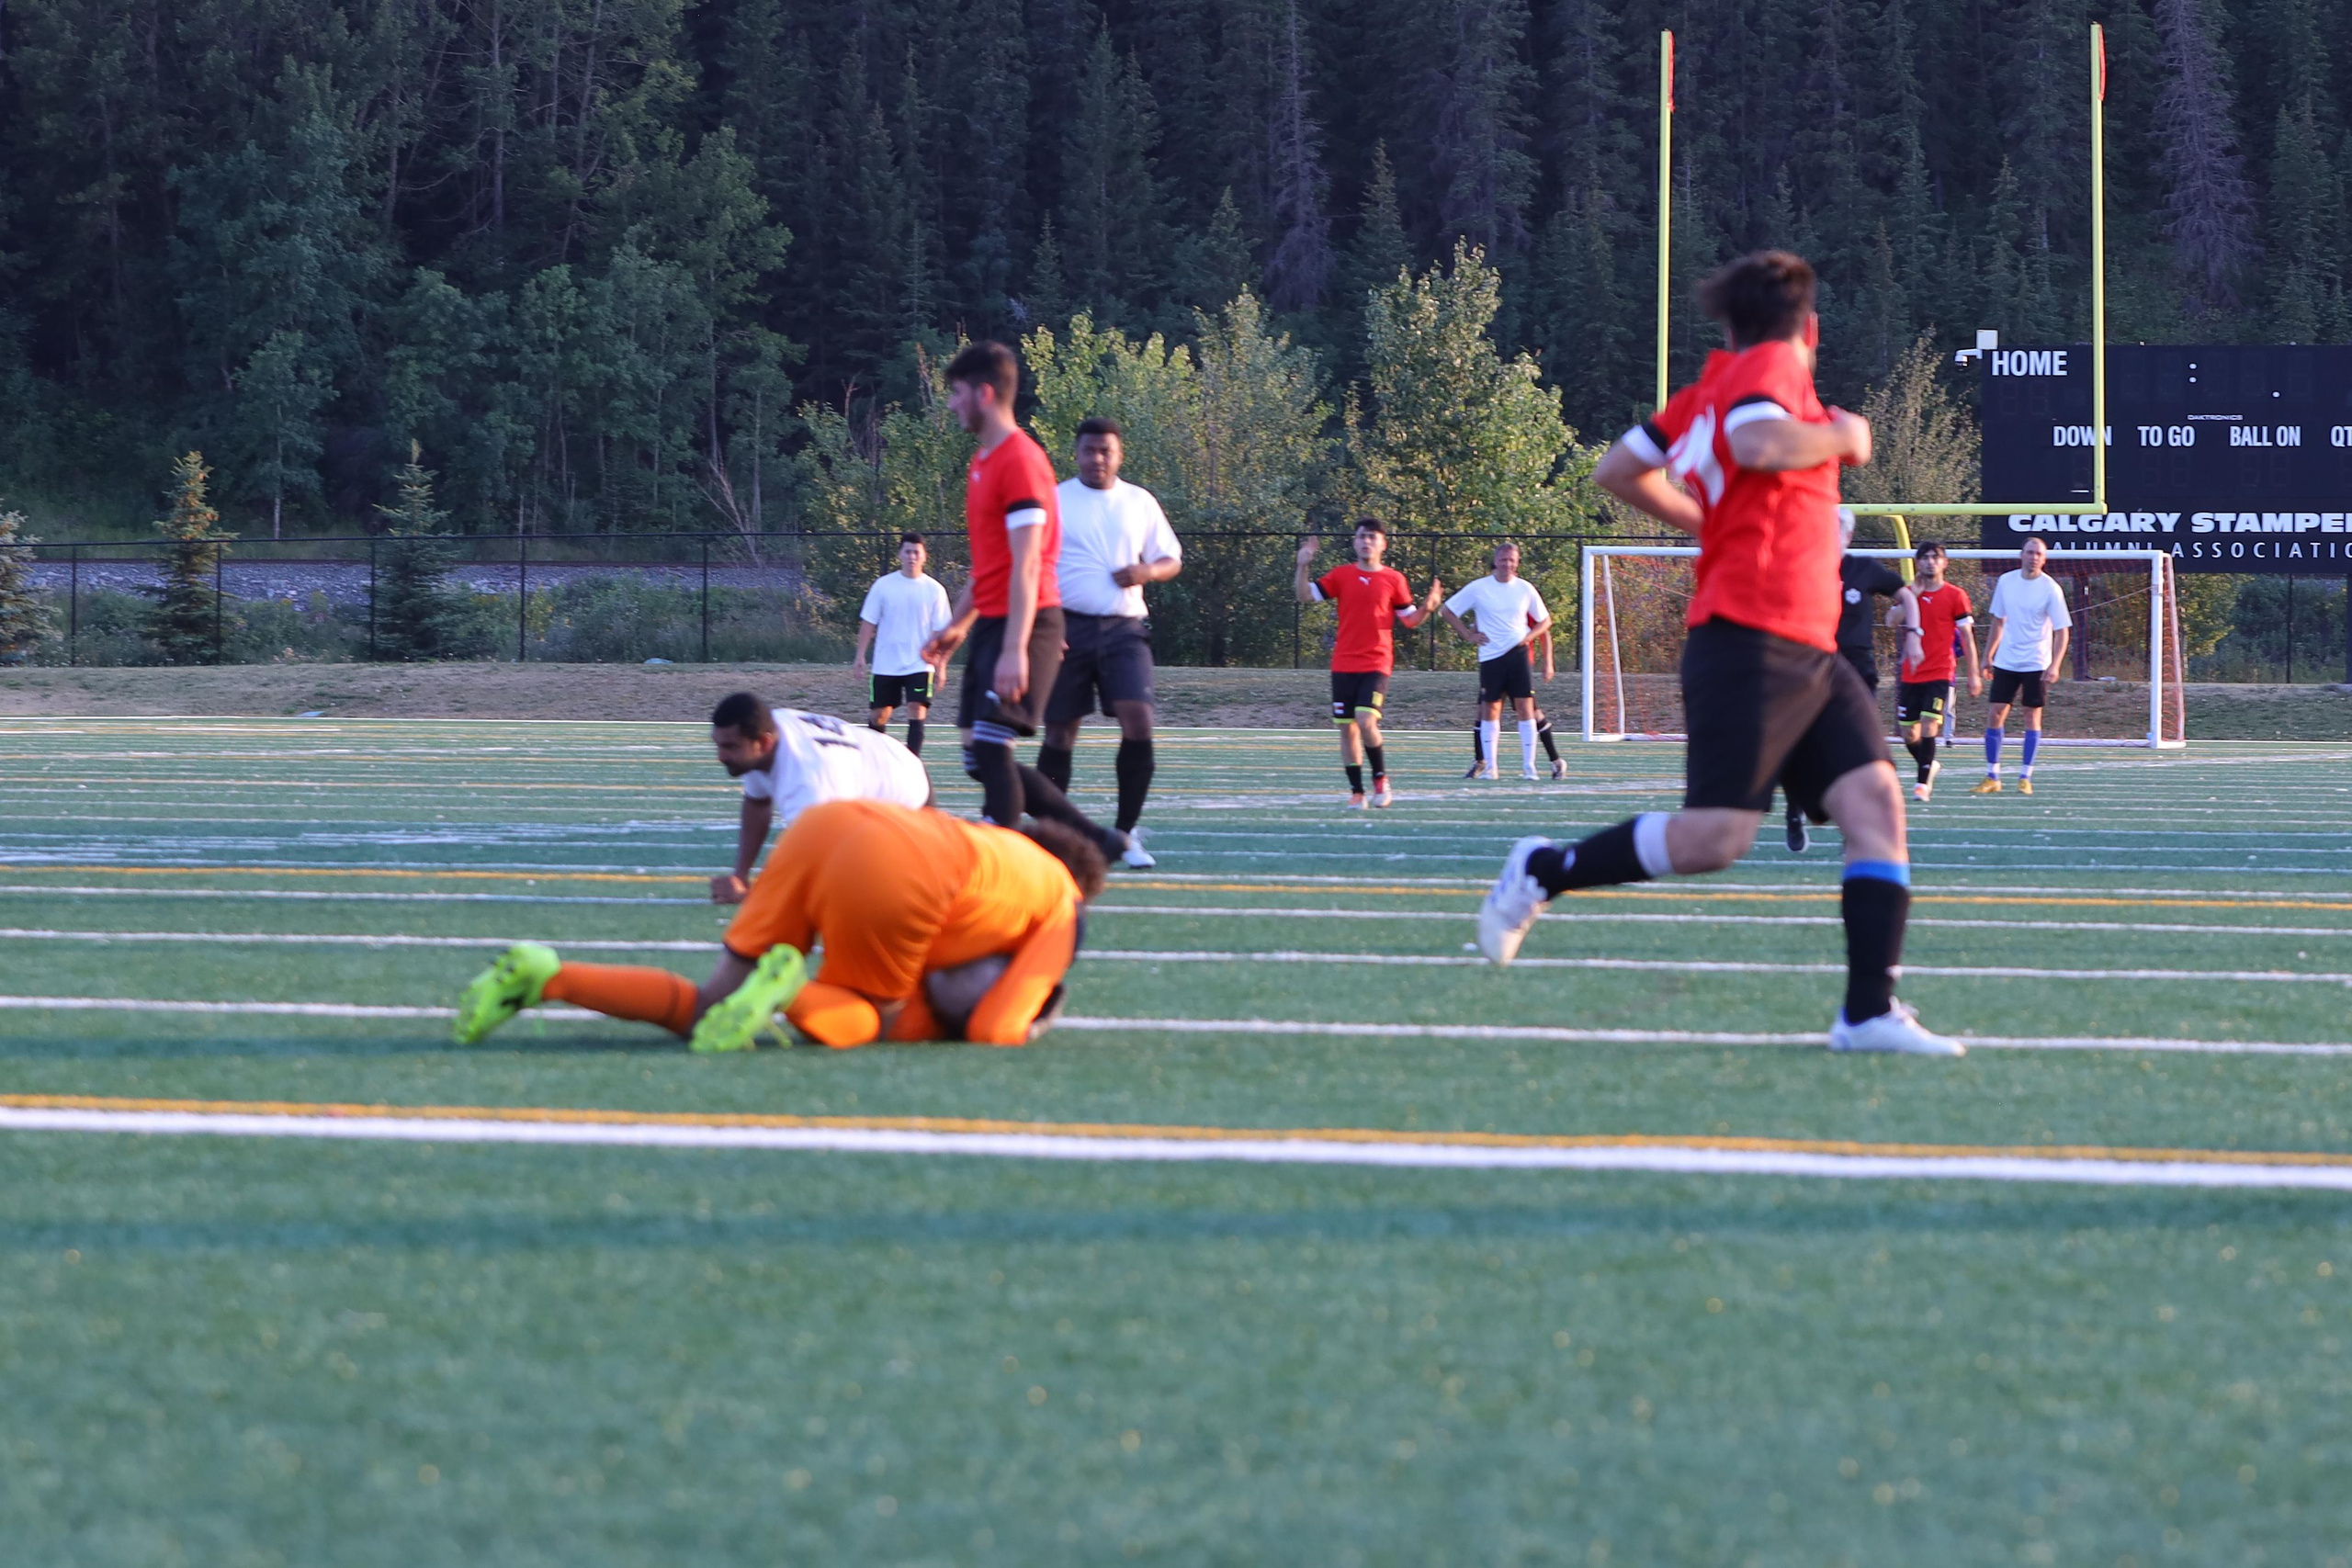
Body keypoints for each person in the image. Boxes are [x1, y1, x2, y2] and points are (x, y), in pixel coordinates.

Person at [1475, 249, 1960, 1055]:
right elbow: (1763, 442)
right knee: (1717, 840)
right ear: (1809, 328)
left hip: (1805, 647)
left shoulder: (1706, 388)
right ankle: (1544, 868)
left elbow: (1621, 468)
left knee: (1876, 807)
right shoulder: (1774, 372)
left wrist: (1708, 522)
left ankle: (1868, 1011)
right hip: (1752, 644)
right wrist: (1843, 433)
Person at [454, 800, 1105, 1053]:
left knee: (709, 1007)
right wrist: (1031, 1017)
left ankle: (551, 977)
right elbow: (994, 1028)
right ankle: (790, 987)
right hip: (904, 868)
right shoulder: (1063, 901)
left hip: (827, 825)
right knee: (870, 1017)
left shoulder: (1004, 851)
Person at [917, 341, 1135, 865]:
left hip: (1027, 623)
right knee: (977, 754)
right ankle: (1099, 843)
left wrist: (1017, 647)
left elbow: (1028, 563)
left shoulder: (1019, 460)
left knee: (993, 750)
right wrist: (958, 628)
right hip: (996, 623)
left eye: (957, 392)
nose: (951, 404)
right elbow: (990, 566)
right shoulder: (983, 461)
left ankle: (1000, 866)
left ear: (985, 394)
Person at [1035, 416, 1181, 864]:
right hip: (1068, 627)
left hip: (1125, 629)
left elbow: (1170, 559)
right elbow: (1033, 564)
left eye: (1106, 451)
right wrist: (1044, 624)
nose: (1097, 458)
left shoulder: (1139, 501)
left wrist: (1146, 572)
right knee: (1060, 732)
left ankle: (1124, 833)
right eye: (1089, 450)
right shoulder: (1055, 500)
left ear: (1119, 455)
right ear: (1075, 453)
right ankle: (1053, 834)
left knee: (1139, 723)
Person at [705, 692, 933, 906]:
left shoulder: (808, 783)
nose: (721, 757)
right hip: (875, 774)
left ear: (765, 743)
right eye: (718, 745)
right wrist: (741, 875)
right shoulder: (765, 735)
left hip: (907, 795)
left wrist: (752, 896)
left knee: (884, 898)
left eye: (730, 747)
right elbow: (757, 802)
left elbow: (819, 869)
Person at [1786, 509, 1918, 851]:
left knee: (1860, 748)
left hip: (1857, 668)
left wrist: (1914, 632)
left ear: (1846, 536)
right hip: (1812, 664)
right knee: (1802, 741)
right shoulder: (1803, 564)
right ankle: (1794, 809)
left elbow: (1905, 594)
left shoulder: (1863, 568)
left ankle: (1854, 829)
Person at [1294, 518, 1442, 807]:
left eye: (1373, 537)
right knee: (1347, 727)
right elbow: (1303, 595)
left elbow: (1410, 620)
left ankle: (1380, 780)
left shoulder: (1394, 579)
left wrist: (1427, 608)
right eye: (1361, 537)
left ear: (1383, 544)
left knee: (1365, 719)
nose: (1366, 542)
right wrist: (1302, 565)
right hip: (1343, 663)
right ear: (1354, 542)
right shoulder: (1341, 575)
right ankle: (1357, 793)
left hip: (1376, 661)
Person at [1441, 541, 1553, 780]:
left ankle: (1529, 767)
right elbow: (1447, 611)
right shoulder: (1479, 588)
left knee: (1525, 709)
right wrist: (1468, 635)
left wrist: (1528, 637)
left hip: (1518, 656)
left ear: (1517, 562)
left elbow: (1545, 621)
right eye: (1503, 560)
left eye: (1512, 560)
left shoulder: (1525, 588)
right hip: (1491, 656)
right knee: (1491, 709)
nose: (1507, 564)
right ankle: (1491, 768)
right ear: (1495, 561)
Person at [1974, 536, 2071, 796]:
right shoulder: (2006, 582)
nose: (2034, 557)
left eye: (2038, 554)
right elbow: (1998, 622)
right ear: (2021, 555)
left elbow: (2063, 632)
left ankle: (2025, 776)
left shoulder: (2051, 589)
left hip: (2036, 663)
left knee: (2032, 715)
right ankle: (1992, 775)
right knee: (1995, 713)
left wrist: (2055, 665)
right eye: (2030, 552)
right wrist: (1987, 655)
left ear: (2044, 558)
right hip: (2006, 661)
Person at [1894, 541, 1980, 803]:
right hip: (1911, 672)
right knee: (1909, 733)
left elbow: (1966, 636)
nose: (1930, 562)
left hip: (1941, 671)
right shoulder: (1909, 592)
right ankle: (1930, 765)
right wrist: (1912, 595)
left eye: (1936, 557)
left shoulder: (1956, 595)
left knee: (1931, 724)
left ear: (1945, 563)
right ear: (1917, 562)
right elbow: (1890, 621)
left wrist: (1973, 673)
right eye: (1925, 557)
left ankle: (1922, 785)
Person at [854, 534, 953, 755]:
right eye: (907, 551)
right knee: (880, 714)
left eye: (916, 552)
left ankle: (912, 763)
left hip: (920, 664)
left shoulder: (935, 590)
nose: (912, 556)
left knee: (916, 709)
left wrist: (941, 665)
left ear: (924, 556)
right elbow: (869, 622)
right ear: (900, 554)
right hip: (886, 663)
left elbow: (942, 632)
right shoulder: (883, 586)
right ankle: (876, 760)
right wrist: (860, 655)